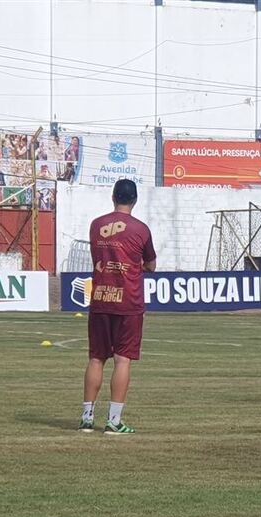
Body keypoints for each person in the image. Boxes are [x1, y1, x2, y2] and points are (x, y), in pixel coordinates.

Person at [79, 179, 156, 435]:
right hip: (128, 301)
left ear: (113, 197)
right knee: (123, 360)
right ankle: (113, 421)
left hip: (101, 297)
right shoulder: (141, 229)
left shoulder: (96, 225)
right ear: (134, 200)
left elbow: (98, 257)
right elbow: (151, 264)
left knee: (96, 357)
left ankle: (87, 418)